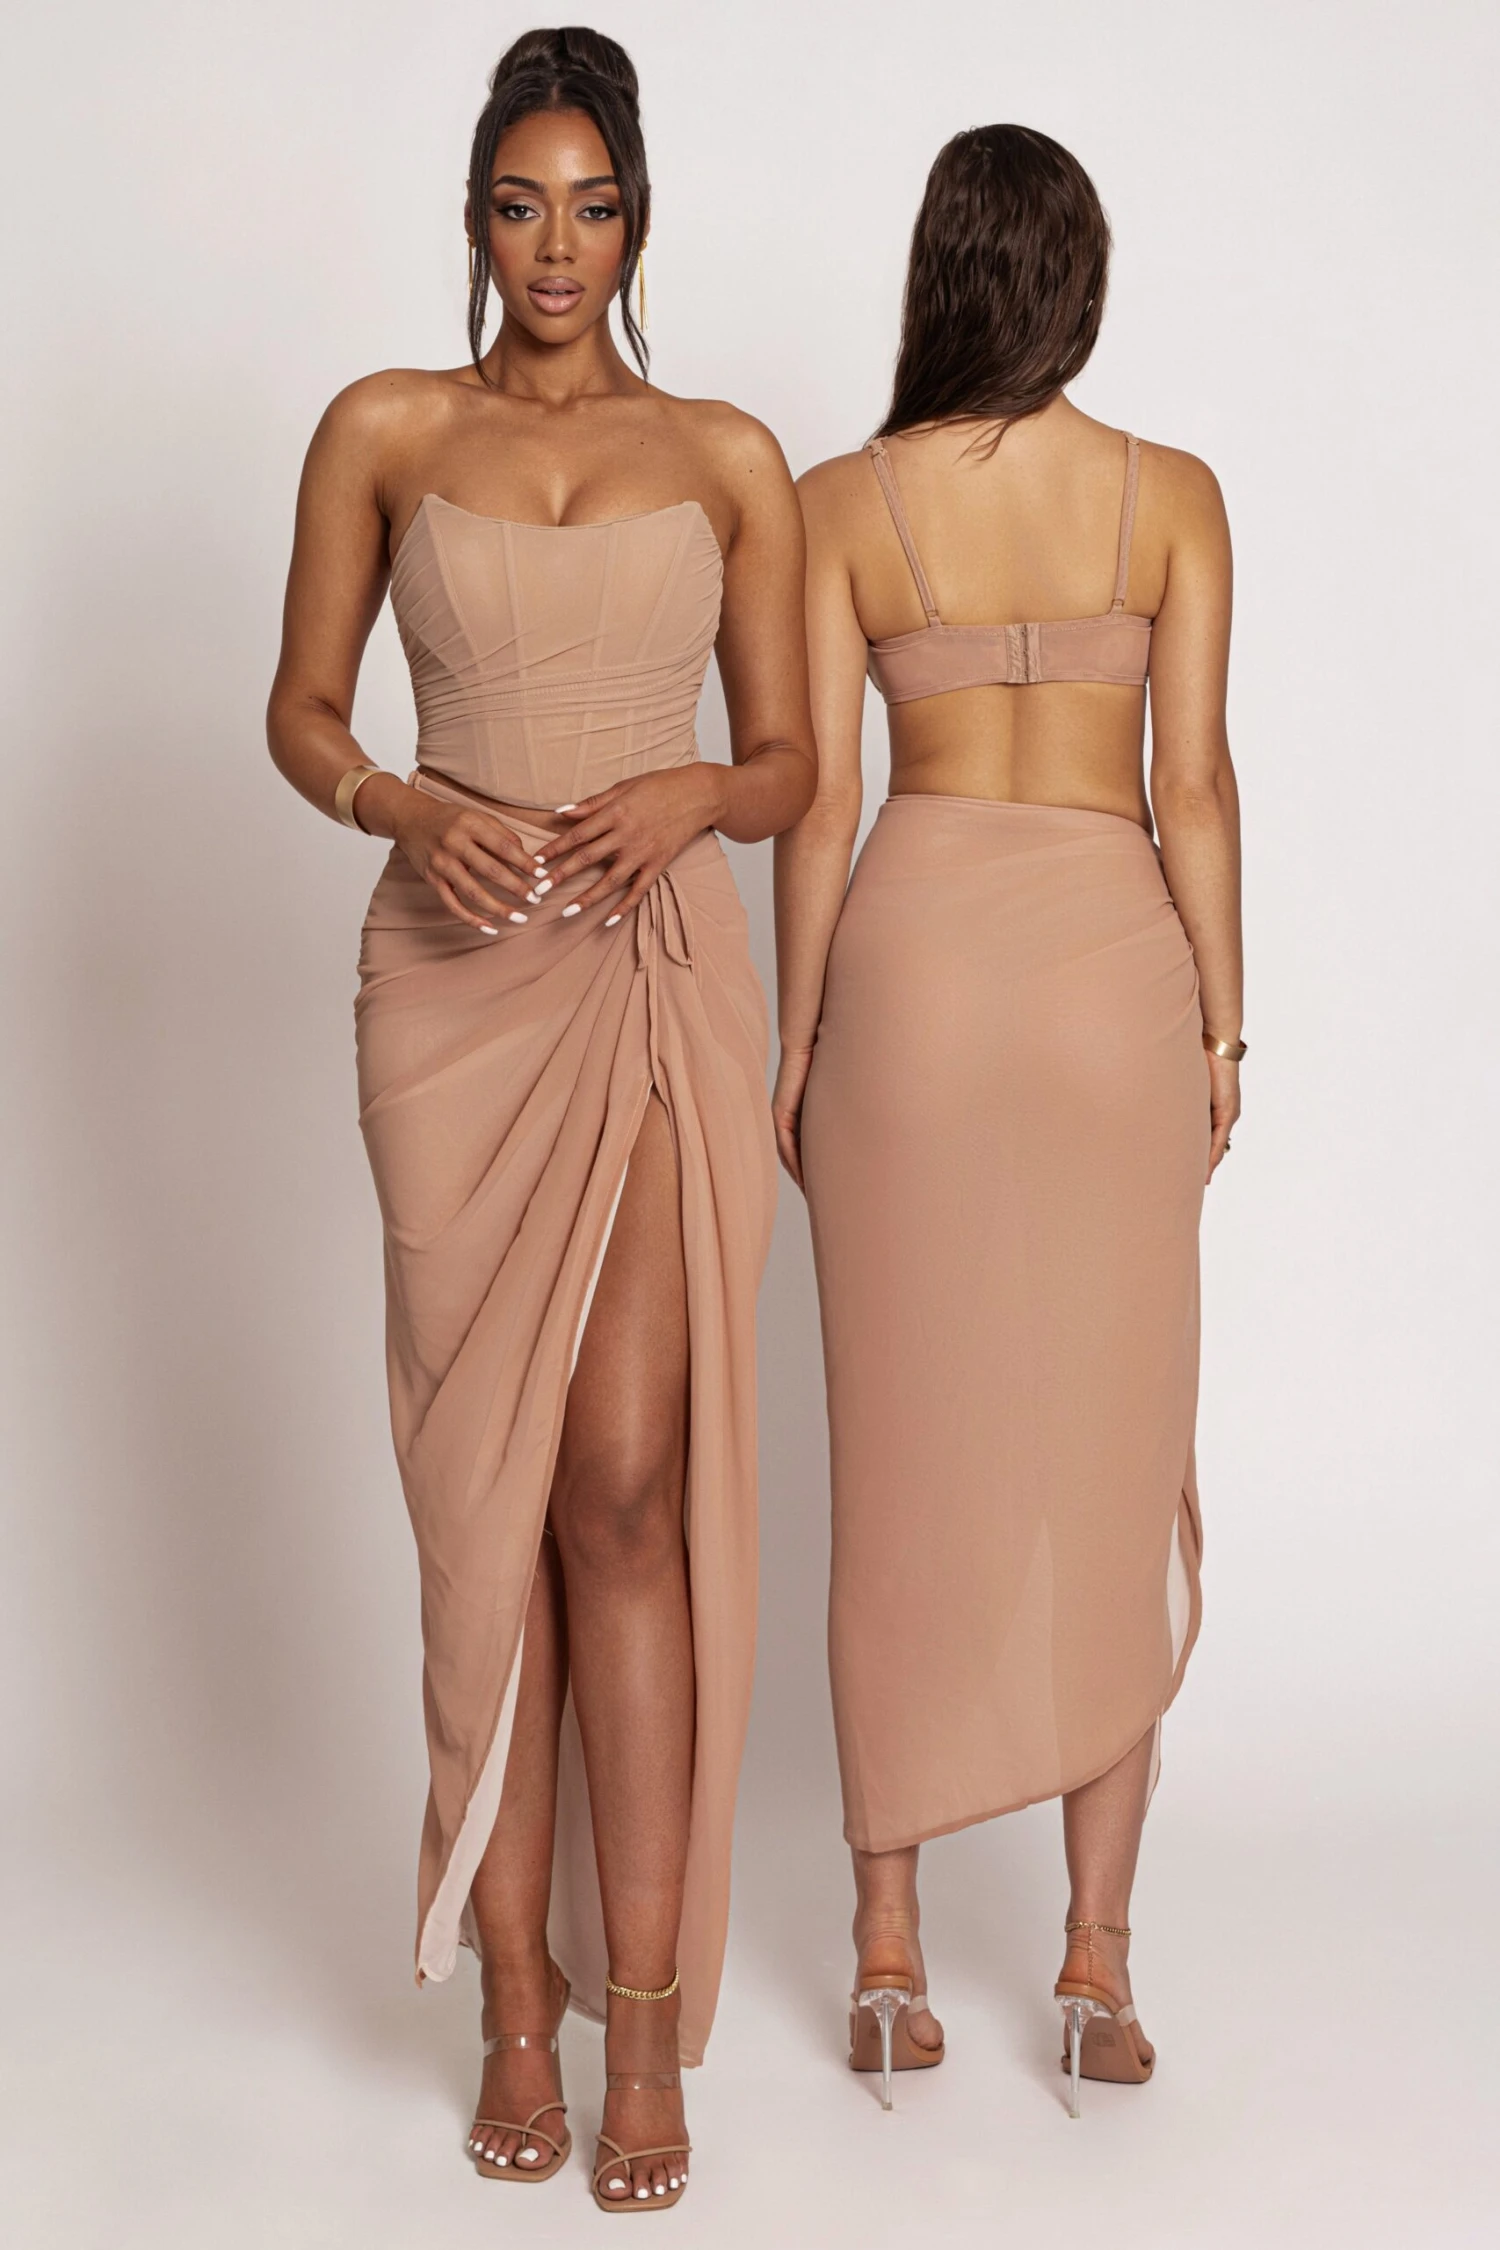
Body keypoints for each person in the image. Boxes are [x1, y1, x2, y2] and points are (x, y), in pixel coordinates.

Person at [266, 27, 814, 2208]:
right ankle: (513, 2007)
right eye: (520, 205)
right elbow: (300, 709)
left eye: (592, 206)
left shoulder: (731, 455)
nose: (556, 246)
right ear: (478, 221)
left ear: (638, 219)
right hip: (451, 988)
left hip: (650, 972)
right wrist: (407, 805)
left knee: (622, 1490)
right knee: (483, 1508)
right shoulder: (384, 429)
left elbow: (790, 761)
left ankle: (644, 2029)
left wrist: (702, 793)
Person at [776, 123, 1242, 2118]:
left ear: (938, 276)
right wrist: (1224, 1026)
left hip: (915, 976)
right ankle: (1096, 1964)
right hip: (1112, 976)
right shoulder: (1171, 497)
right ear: (1080, 283)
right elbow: (1193, 782)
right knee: (1108, 1466)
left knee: (896, 1459)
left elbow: (819, 802)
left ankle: (887, 1958)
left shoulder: (842, 506)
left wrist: (795, 1038)